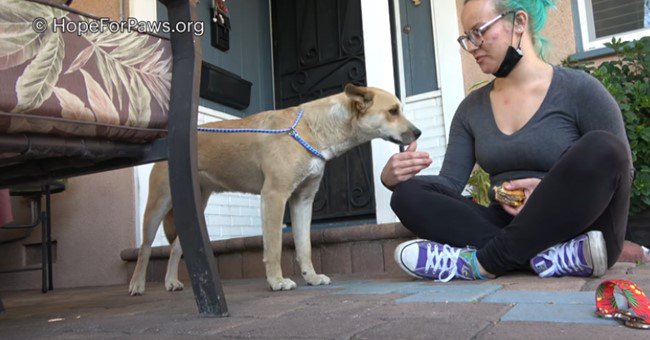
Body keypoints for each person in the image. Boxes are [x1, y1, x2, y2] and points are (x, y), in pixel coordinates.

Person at [382, 0, 634, 282]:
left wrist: (547, 194)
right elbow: (450, 184)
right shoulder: (471, 110)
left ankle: (481, 263)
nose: (471, 46)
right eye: (466, 38)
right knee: (407, 196)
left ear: (519, 22)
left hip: (577, 228)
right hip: (511, 226)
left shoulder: (580, 90)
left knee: (606, 148)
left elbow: (621, 170)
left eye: (478, 31)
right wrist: (394, 179)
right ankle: (547, 258)